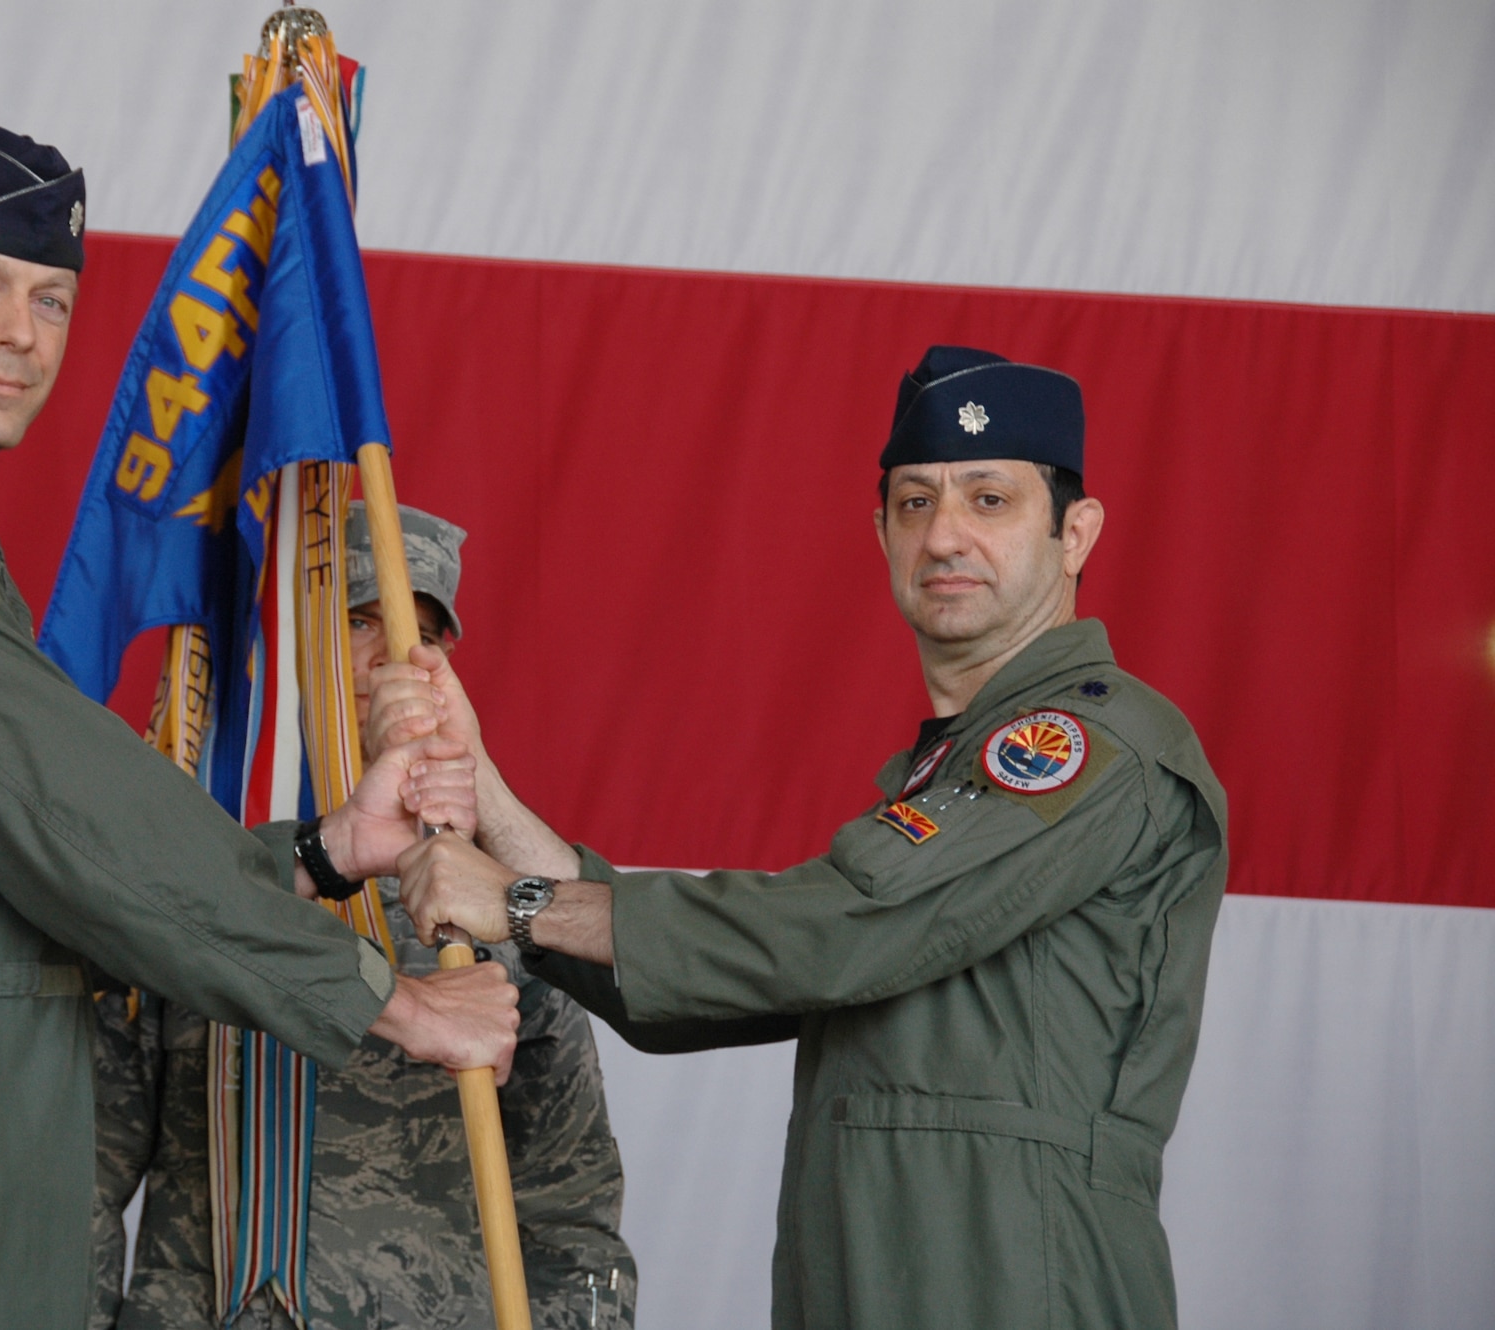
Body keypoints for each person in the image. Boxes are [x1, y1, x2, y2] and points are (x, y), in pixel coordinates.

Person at [0, 126, 519, 1330]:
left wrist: (321, 851)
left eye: (52, 300)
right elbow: (71, 819)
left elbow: (26, 840)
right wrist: (388, 998)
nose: (19, 333)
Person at [386, 346, 1229, 1330]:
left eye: (988, 500)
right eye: (914, 503)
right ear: (880, 533)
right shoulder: (953, 771)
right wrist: (478, 782)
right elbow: (740, 973)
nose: (944, 534)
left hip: (1018, 1288)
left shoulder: (1089, 741)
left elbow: (840, 924)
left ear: (1073, 532)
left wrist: (517, 903)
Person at [91, 502, 637, 1330]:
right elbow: (81, 1174)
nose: (390, 662)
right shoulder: (189, 879)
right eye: (358, 621)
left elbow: (575, 1212)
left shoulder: (496, 905)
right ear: (289, 643)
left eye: (424, 635)